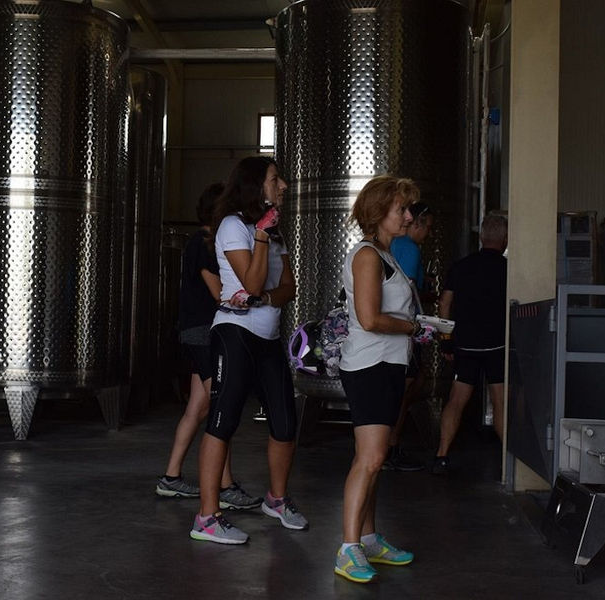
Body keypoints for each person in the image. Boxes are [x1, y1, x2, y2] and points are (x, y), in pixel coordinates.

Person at [189, 156, 307, 545]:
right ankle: (207, 517)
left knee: (285, 423)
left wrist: (264, 296)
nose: (284, 186)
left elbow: (288, 288)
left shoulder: (276, 234)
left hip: (268, 339)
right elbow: (252, 283)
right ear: (256, 185)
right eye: (276, 179)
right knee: (222, 422)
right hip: (234, 333)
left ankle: (277, 499)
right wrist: (259, 239)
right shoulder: (233, 227)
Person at [335, 175, 432, 583]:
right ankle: (348, 548)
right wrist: (414, 329)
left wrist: (418, 324)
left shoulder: (386, 255)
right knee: (371, 458)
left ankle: (369, 539)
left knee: (374, 460)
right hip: (370, 366)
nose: (409, 215)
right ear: (379, 214)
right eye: (402, 209)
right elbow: (370, 318)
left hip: (387, 365)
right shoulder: (367, 256)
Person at [156, 183, 261, 510]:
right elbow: (219, 292)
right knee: (222, 407)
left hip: (195, 331)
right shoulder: (203, 244)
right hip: (204, 331)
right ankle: (225, 486)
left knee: (198, 408)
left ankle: (171, 478)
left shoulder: (201, 243)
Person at [432, 214, 508, 475]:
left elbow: (444, 303)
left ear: (481, 237)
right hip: (498, 346)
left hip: (465, 345)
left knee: (456, 400)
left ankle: (441, 454)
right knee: (500, 402)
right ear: (505, 239)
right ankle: (509, 460)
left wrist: (446, 341)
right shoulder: (508, 268)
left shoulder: (461, 266)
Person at [384, 202, 434, 471]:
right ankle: (391, 445)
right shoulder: (410, 249)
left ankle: (387, 444)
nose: (428, 234)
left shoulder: (388, 246)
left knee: (409, 382)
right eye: (427, 227)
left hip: (388, 330)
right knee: (407, 386)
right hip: (405, 328)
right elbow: (409, 294)